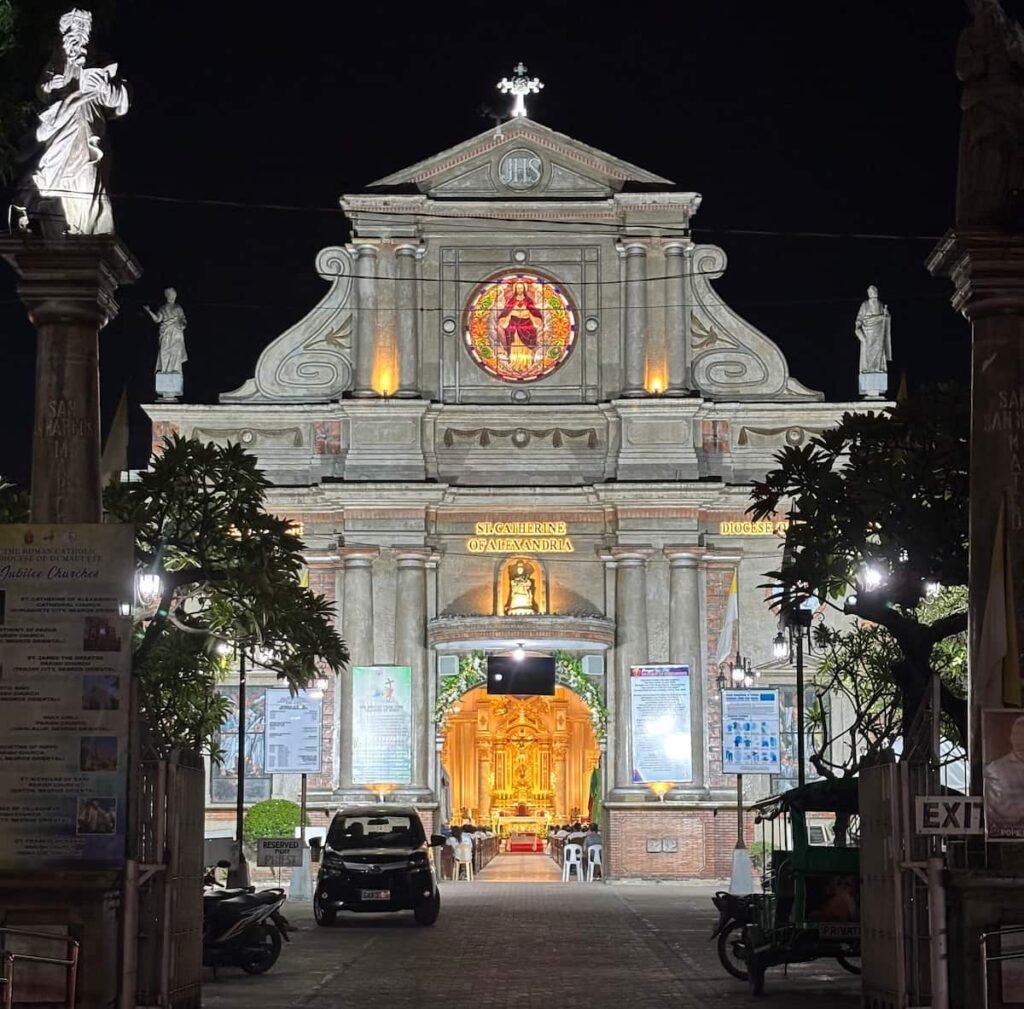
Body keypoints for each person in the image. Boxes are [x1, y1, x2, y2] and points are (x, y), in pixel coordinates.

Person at [14, 9, 129, 237]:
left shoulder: (101, 60)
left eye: (84, 31)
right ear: (66, 34)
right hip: (60, 128)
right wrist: (50, 85)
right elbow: (42, 91)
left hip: (88, 128)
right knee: (50, 173)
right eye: (76, 31)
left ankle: (83, 228)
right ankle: (54, 223)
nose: (80, 36)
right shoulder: (57, 61)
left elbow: (121, 100)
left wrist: (105, 88)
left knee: (88, 176)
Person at [985, 715, 1024, 836]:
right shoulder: (995, 768)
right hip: (1008, 833)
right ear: (1011, 737)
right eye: (1016, 734)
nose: (1020, 739)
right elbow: (995, 808)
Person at [146, 288, 188, 377]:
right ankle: (164, 370)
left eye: (173, 294)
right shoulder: (163, 308)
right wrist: (149, 311)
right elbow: (157, 319)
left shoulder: (178, 307)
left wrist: (182, 324)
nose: (172, 296)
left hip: (176, 332)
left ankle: (175, 369)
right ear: (167, 296)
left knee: (175, 351)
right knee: (164, 351)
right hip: (165, 332)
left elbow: (183, 320)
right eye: (170, 294)